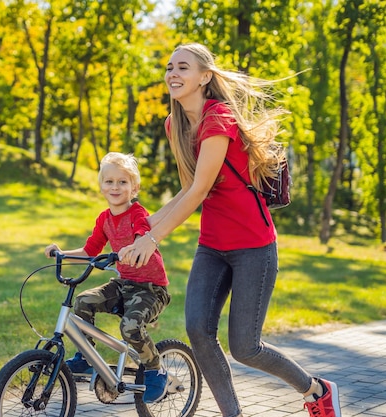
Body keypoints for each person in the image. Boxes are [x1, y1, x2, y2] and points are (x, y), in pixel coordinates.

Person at [118, 43, 341, 417]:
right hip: (213, 247)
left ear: (205, 77)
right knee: (199, 332)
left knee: (245, 347)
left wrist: (151, 238)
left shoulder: (218, 118)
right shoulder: (175, 124)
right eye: (169, 67)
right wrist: (137, 230)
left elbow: (201, 189)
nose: (172, 73)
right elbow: (187, 189)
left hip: (254, 246)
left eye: (183, 67)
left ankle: (316, 390)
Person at [44, 152, 171, 404]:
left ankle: (156, 368)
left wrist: (133, 247)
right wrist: (61, 253)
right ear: (101, 185)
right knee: (82, 302)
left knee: (130, 327)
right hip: (124, 284)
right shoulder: (104, 218)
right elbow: (90, 250)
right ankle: (86, 358)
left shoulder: (137, 212)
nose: (115, 187)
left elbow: (142, 233)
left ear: (134, 187)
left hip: (150, 289)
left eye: (122, 182)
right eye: (109, 181)